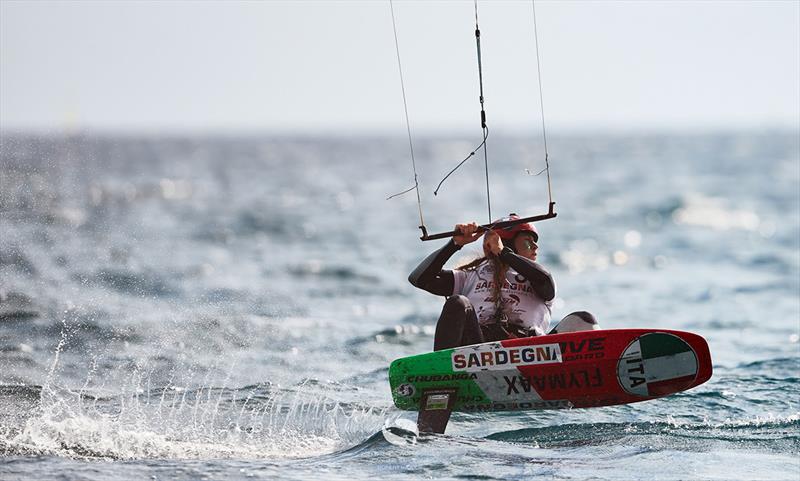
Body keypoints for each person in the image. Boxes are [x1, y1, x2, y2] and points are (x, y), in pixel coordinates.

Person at [409, 214, 598, 351]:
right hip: (479, 349)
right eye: (527, 242)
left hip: (530, 350)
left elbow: (545, 281)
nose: (535, 247)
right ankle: (442, 375)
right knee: (457, 302)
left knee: (584, 319)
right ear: (506, 243)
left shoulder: (536, 275)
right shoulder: (471, 275)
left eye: (534, 242)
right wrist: (454, 244)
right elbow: (419, 278)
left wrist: (505, 254)